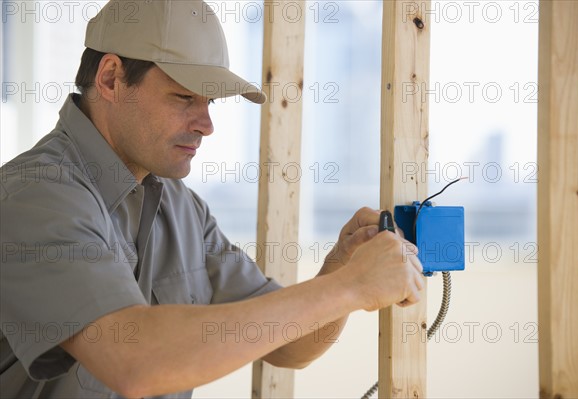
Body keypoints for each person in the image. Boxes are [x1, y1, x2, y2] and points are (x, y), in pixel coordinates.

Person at [0, 1, 424, 398]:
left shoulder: (182, 208)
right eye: (184, 97)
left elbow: (289, 348)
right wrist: (350, 287)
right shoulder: (35, 195)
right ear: (111, 78)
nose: (206, 125)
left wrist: (342, 268)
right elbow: (132, 360)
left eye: (210, 102)